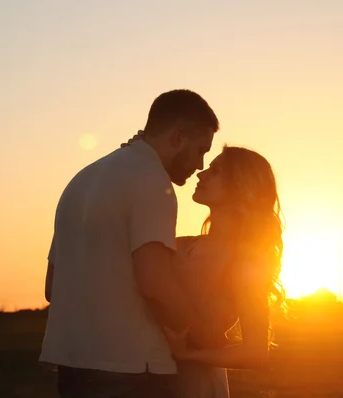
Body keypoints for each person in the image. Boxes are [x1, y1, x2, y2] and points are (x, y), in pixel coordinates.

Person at [40, 89, 220, 398]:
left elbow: (52, 286)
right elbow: (153, 281)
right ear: (177, 138)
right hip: (132, 372)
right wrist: (198, 331)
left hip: (73, 368)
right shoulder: (151, 180)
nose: (201, 164)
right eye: (201, 150)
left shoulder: (82, 179)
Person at [123, 132, 286, 398]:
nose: (201, 174)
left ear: (241, 187)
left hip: (195, 386)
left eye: (216, 170)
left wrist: (189, 354)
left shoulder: (245, 261)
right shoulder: (180, 243)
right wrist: (138, 160)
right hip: (149, 381)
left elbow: (256, 352)